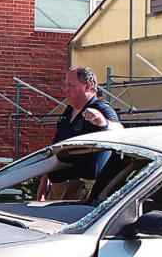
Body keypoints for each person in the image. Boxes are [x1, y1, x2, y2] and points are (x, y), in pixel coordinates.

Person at [37, 66, 123, 201]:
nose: (66, 90)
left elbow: (120, 131)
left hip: (82, 190)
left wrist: (103, 122)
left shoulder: (100, 108)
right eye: (65, 85)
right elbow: (56, 146)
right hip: (57, 188)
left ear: (87, 87)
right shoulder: (68, 111)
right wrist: (45, 179)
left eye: (71, 85)